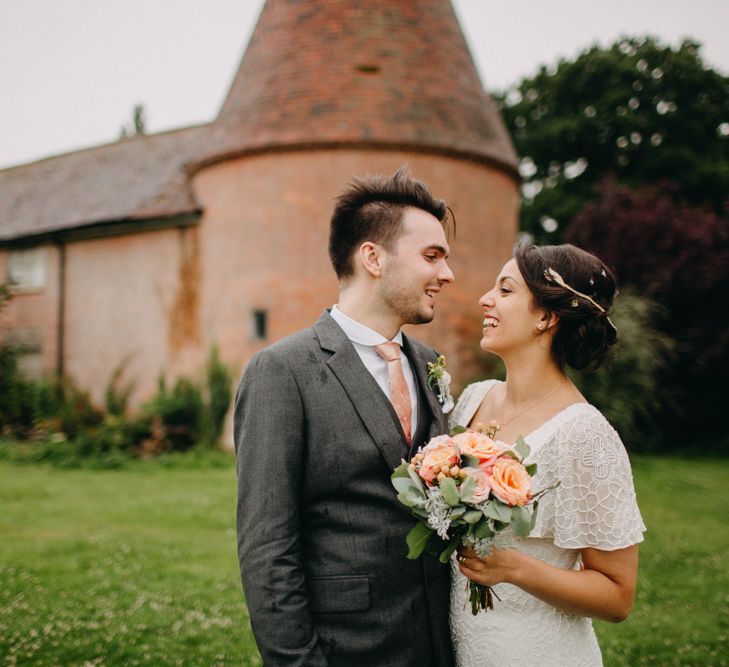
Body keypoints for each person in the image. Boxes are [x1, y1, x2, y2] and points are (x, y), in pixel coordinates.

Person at [234, 167, 456, 666]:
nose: (448, 274)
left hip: (438, 642)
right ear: (373, 257)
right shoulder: (281, 371)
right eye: (432, 256)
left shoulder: (429, 364)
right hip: (346, 647)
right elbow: (267, 544)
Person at [449, 242, 646, 666]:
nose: (485, 299)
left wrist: (514, 569)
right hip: (460, 644)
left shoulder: (586, 435)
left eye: (504, 290)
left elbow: (617, 596)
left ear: (546, 316)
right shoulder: (472, 400)